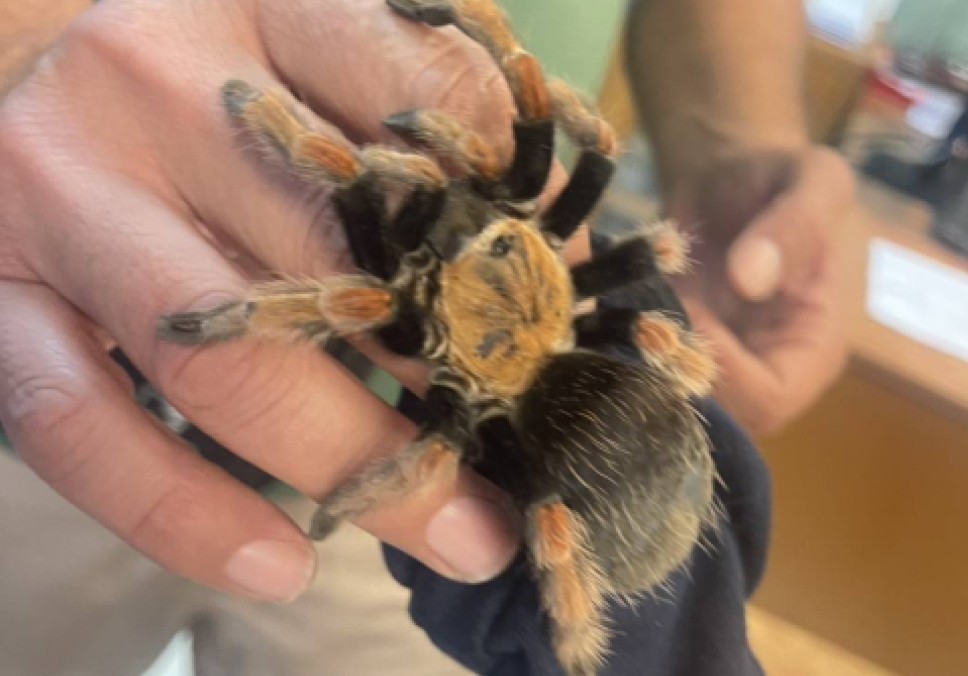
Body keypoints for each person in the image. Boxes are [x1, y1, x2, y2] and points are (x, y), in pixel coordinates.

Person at [0, 0, 854, 674]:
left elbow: (577, 148)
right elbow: (606, 176)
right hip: (51, 339)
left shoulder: (397, 318)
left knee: (519, 523)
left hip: (404, 523)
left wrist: (740, 138)